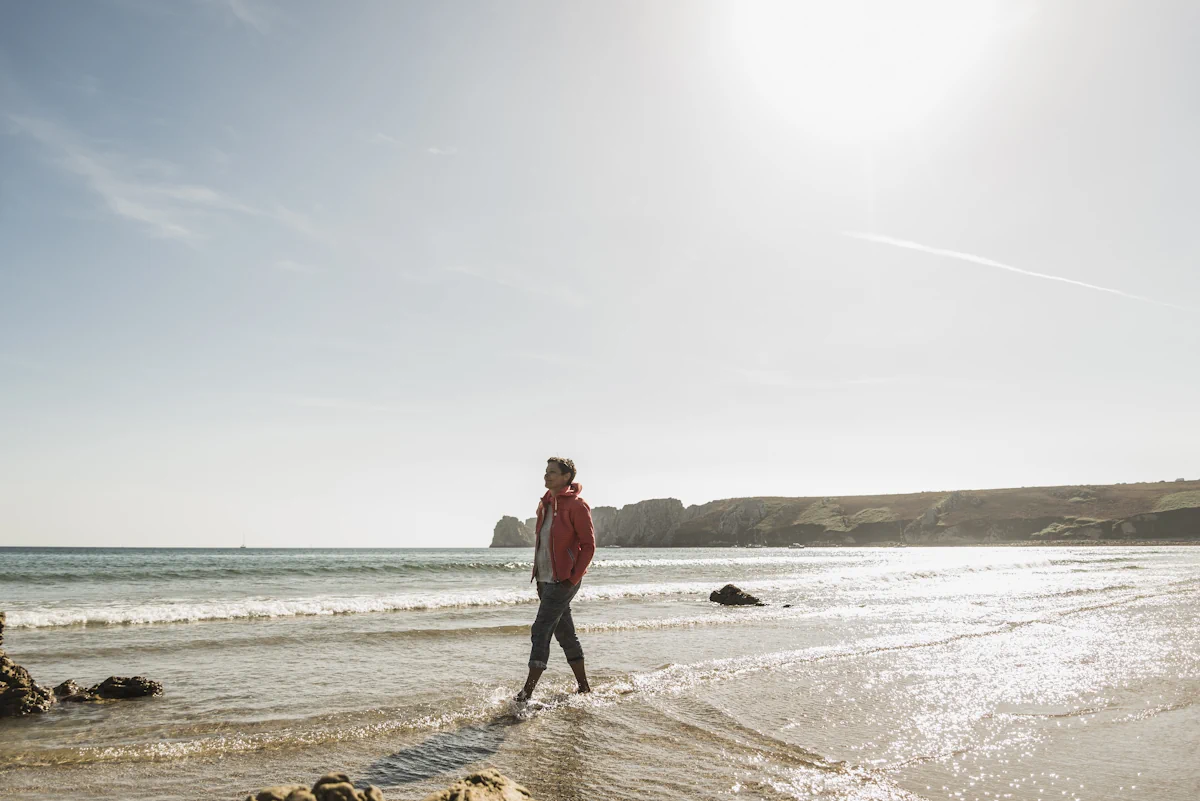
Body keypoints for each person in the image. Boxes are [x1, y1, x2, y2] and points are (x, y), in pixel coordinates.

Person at [515, 456, 596, 701]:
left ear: (566, 477)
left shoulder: (577, 506)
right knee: (565, 633)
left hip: (563, 581)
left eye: (552, 472)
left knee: (540, 630)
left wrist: (572, 579)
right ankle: (584, 687)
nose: (546, 475)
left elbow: (589, 546)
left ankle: (526, 694)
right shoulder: (544, 505)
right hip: (544, 580)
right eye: (546, 471)